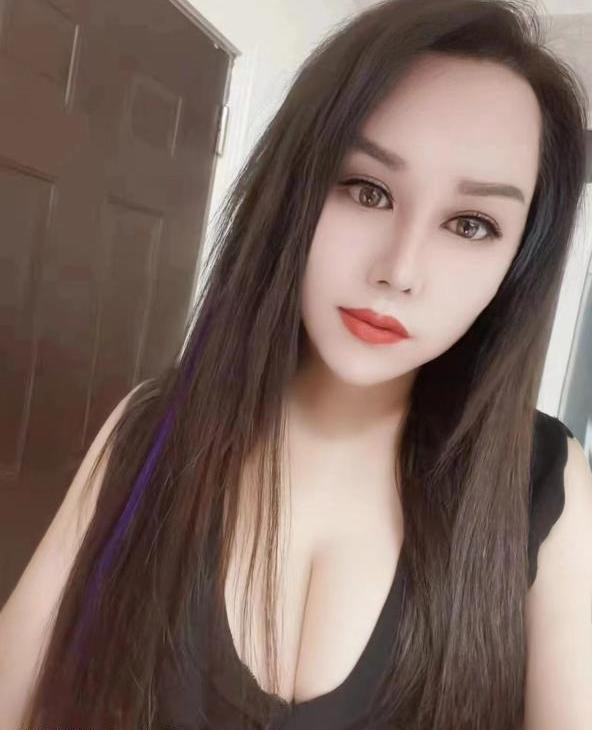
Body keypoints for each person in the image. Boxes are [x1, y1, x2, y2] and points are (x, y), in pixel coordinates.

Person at [1, 0, 591, 728]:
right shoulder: (150, 430)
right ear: (296, 190)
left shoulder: (543, 485)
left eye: (471, 224)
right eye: (367, 190)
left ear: (517, 263)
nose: (400, 269)